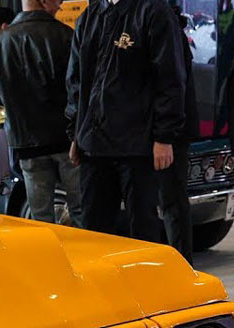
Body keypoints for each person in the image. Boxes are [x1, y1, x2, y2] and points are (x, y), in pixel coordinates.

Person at [66, 0, 184, 242]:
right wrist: (76, 134)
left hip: (137, 146)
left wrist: (164, 137)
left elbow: (170, 78)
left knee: (142, 231)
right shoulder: (90, 16)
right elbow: (76, 82)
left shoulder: (153, 12)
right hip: (94, 146)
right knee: (94, 232)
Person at [0, 0, 83, 226]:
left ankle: (46, 250)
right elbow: (78, 89)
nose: (61, 4)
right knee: (80, 212)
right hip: (66, 140)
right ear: (43, 1)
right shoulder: (65, 35)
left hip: (25, 142)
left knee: (40, 218)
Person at [155, 6, 197, 262]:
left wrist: (164, 136)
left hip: (171, 132)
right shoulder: (169, 22)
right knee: (171, 202)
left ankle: (183, 268)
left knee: (172, 202)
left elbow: (172, 83)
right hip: (170, 129)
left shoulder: (163, 23)